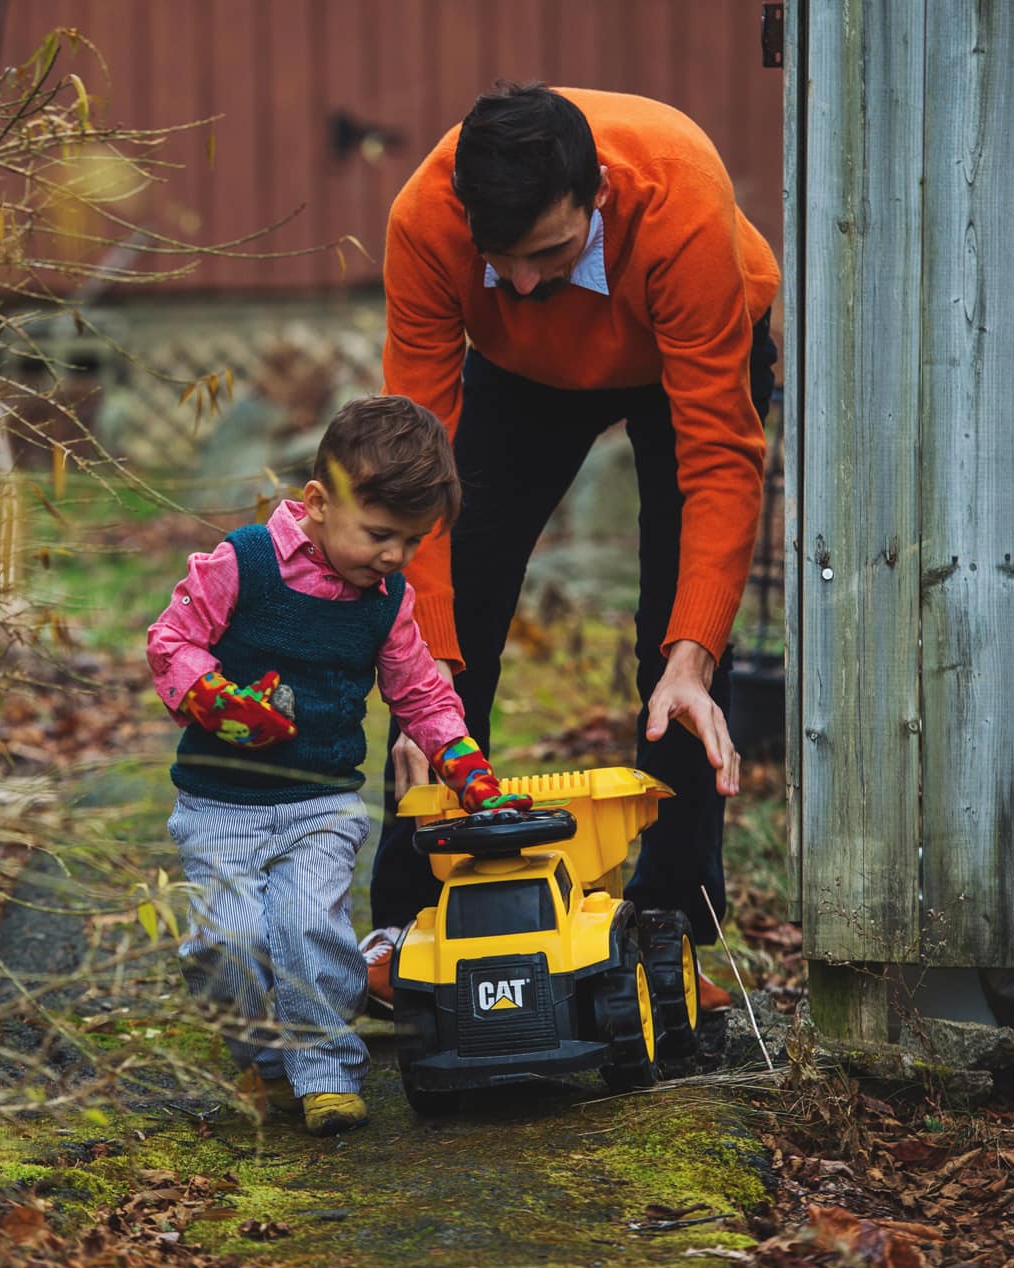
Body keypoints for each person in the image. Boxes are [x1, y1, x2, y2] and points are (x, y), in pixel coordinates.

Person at [365, 84, 780, 1013]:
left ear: (596, 194)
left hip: (686, 345)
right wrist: (424, 668)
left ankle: (670, 932)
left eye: (545, 253)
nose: (518, 283)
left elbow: (720, 455)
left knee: (671, 643)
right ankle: (406, 921)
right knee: (451, 602)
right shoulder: (427, 222)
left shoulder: (679, 205)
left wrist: (693, 654)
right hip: (521, 376)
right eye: (496, 261)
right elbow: (415, 467)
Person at [146, 395, 529, 1137]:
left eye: (411, 543)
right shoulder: (243, 564)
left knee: (307, 928)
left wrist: (466, 767)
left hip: (320, 805)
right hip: (220, 803)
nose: (394, 557)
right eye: (380, 534)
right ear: (319, 503)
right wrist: (215, 699)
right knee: (225, 941)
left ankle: (325, 1071)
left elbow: (421, 692)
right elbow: (171, 640)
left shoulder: (385, 603)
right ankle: (263, 1059)